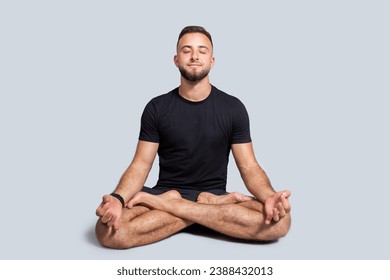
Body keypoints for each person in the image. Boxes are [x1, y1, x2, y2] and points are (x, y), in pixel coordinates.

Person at [95, 26, 291, 249]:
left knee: (280, 223)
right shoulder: (156, 108)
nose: (195, 56)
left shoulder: (233, 108)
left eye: (202, 51)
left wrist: (270, 196)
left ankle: (175, 205)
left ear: (212, 61)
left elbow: (249, 166)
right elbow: (140, 165)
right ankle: (200, 208)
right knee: (108, 231)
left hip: (210, 195)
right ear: (176, 60)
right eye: (187, 50)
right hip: (178, 194)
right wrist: (118, 198)